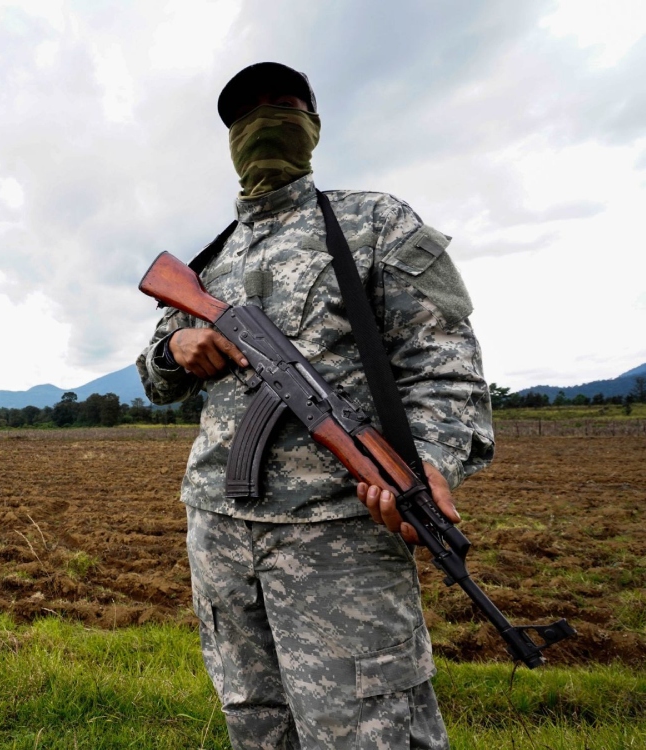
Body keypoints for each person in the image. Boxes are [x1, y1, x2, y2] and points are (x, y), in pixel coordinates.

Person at [136, 63, 494, 749]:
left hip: (341, 532)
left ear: (314, 125)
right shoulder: (209, 260)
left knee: (366, 730)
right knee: (254, 721)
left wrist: (431, 463)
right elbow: (156, 380)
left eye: (285, 104)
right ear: (232, 138)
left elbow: (443, 360)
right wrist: (175, 348)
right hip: (219, 530)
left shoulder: (376, 222)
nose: (267, 119)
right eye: (248, 112)